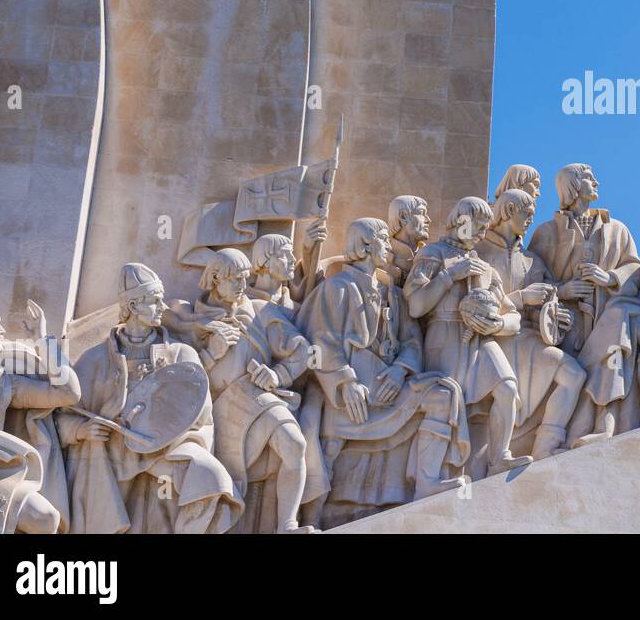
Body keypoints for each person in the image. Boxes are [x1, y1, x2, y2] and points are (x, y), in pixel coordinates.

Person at [295, 218, 467, 528]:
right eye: (384, 239)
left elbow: (413, 341)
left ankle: (428, 481)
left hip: (389, 384)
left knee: (444, 394)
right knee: (328, 446)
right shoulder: (337, 287)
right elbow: (321, 340)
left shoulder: (395, 295)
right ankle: (310, 515)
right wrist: (345, 383)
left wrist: (401, 370)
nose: (389, 246)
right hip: (349, 389)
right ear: (364, 246)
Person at [60, 263, 241, 534]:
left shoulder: (182, 354)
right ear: (132, 306)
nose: (162, 308)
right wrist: (80, 430)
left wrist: (171, 434)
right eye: (154, 301)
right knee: (104, 503)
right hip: (114, 449)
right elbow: (63, 412)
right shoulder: (95, 360)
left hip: (167, 447)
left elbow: (200, 414)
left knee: (211, 478)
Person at [528, 164, 640, 447]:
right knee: (611, 352)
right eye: (590, 179)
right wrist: (563, 290)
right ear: (574, 186)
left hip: (618, 308)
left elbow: (635, 268)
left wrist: (610, 277)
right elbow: (530, 282)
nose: (597, 182)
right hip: (574, 325)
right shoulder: (546, 234)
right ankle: (601, 426)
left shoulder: (617, 229)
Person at [166, 247, 312, 533]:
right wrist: (211, 353)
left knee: (296, 445)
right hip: (217, 411)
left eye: (246, 278)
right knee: (220, 484)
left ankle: (287, 525)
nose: (243, 286)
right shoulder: (191, 321)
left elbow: (304, 351)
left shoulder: (260, 312)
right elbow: (180, 383)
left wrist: (277, 374)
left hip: (258, 396)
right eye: (235, 279)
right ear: (216, 278)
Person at [405, 198, 531, 477]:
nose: (482, 234)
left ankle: (500, 457)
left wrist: (497, 324)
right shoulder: (432, 254)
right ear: (461, 221)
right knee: (452, 404)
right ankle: (435, 476)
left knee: (508, 388)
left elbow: (514, 317)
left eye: (486, 228)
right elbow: (416, 306)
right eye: (479, 226)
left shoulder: (484, 267)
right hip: (444, 336)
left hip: (481, 338)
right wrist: (450, 275)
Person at [476, 188, 585, 459]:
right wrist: (523, 298)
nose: (529, 220)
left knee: (573, 374)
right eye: (527, 214)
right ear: (509, 211)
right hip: (493, 337)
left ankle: (545, 445)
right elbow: (476, 307)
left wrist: (556, 315)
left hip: (527, 337)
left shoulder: (532, 260)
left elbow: (547, 301)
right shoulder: (479, 253)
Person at [0, 294, 79, 533]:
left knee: (45, 518)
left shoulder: (6, 383)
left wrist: (42, 340)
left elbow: (68, 393)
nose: (3, 329)